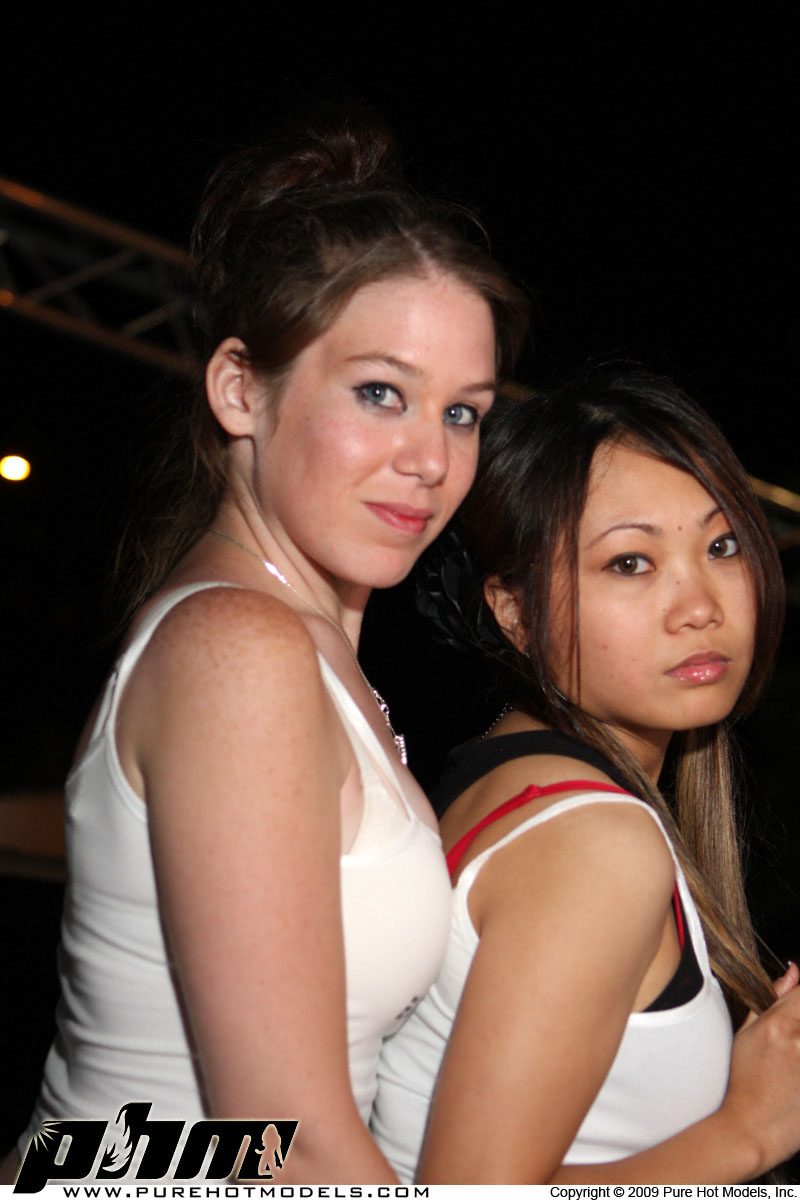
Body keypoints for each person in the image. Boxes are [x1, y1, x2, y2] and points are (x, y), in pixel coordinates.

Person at [0, 110, 528, 1185]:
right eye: (380, 393)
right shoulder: (238, 648)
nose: (430, 459)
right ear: (240, 388)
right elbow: (282, 1142)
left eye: (462, 413)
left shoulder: (296, 648)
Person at [372, 364, 800, 1183]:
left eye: (722, 546)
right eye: (630, 563)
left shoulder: (507, 778)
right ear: (516, 612)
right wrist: (751, 1129)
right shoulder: (594, 844)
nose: (701, 606)